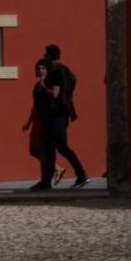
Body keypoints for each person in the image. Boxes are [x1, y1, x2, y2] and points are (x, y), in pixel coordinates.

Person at [30, 44, 88, 190]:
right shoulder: (67, 70)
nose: (44, 57)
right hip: (61, 114)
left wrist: (43, 85)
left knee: (56, 148)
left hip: (55, 115)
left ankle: (50, 181)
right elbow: (72, 83)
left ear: (50, 56)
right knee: (58, 148)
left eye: (45, 55)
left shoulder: (55, 72)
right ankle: (75, 176)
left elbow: (54, 93)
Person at [22, 57, 66, 185]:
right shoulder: (36, 86)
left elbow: (53, 96)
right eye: (38, 68)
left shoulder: (48, 84)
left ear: (48, 70)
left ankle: (49, 175)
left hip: (45, 120)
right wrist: (29, 122)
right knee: (33, 150)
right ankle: (55, 169)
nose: (40, 70)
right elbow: (35, 105)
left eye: (43, 68)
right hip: (36, 120)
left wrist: (44, 86)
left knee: (40, 150)